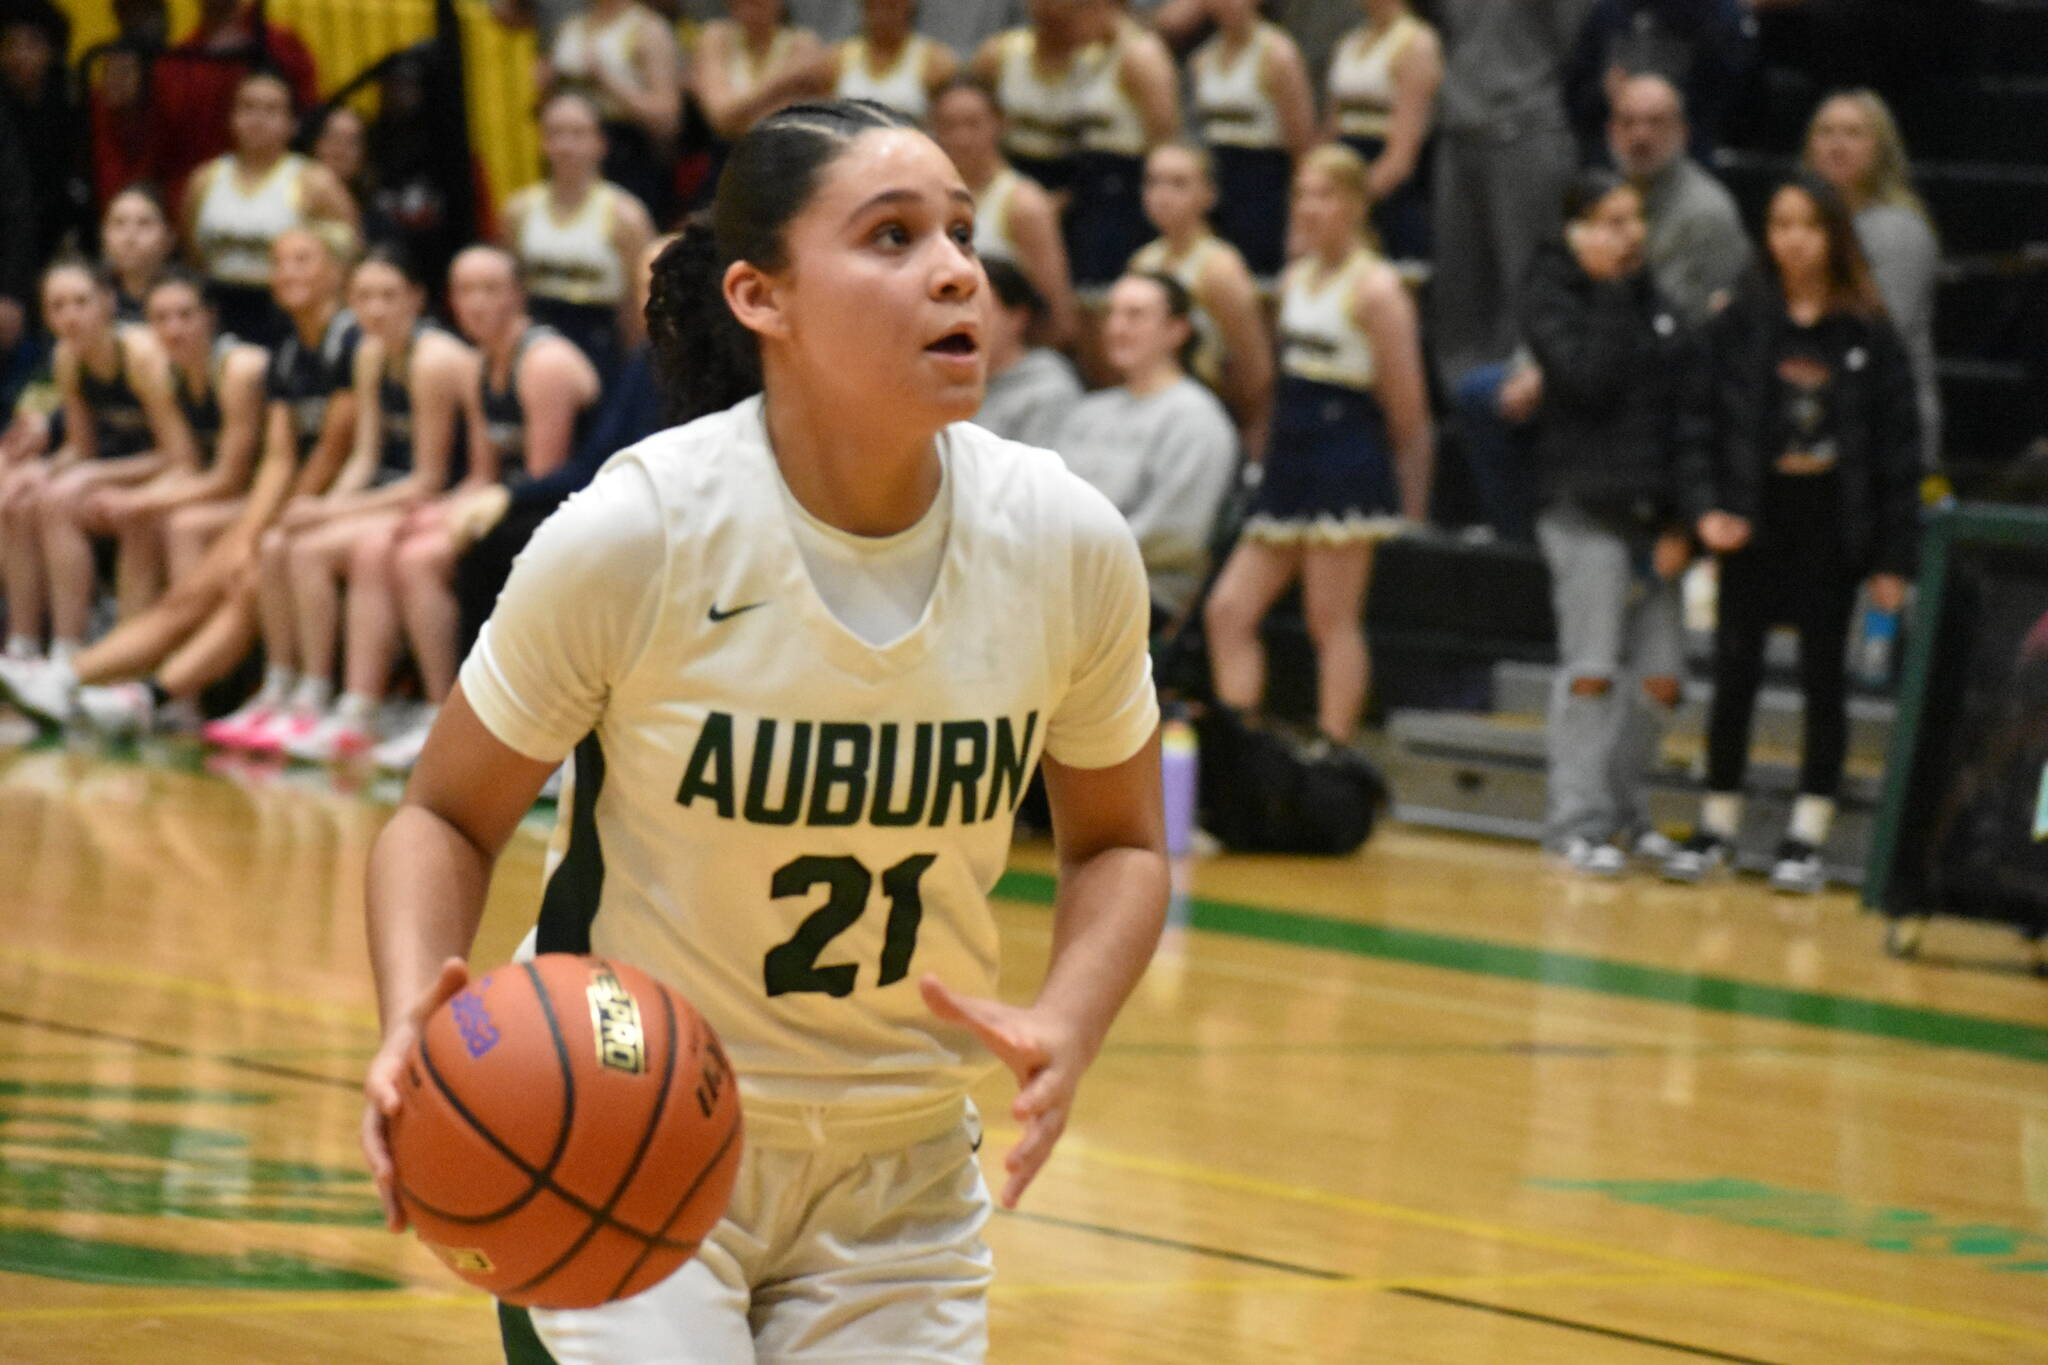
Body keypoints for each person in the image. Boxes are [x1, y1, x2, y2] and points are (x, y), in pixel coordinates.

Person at [358, 98, 1168, 1364]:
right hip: (629, 1127)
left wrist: (1070, 1015)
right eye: (891, 236)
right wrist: (414, 1012)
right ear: (760, 297)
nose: (956, 267)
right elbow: (443, 813)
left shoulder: (1063, 540)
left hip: (902, 1172)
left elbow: (1119, 843)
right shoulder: (639, 534)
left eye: (958, 230)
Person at [0, 226, 365, 739]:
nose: (287, 273)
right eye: (280, 262)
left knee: (221, 567)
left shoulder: (341, 345)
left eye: (304, 260)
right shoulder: (287, 350)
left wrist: (258, 530)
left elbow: (332, 452)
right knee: (194, 567)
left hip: (333, 504)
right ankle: (88, 680)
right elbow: (282, 459)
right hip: (289, 502)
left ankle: (122, 685)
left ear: (338, 270)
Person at [1664, 174, 1920, 894]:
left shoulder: (1869, 330)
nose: (1792, 240)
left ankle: (1806, 833)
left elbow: (1900, 452)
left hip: (1830, 524)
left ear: (1833, 236)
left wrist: (1893, 557)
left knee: (1822, 682)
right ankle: (1716, 821)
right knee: (1734, 674)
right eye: (1779, 225)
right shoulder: (1740, 320)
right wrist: (1703, 509)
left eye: (1808, 225)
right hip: (1755, 517)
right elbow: (1698, 425)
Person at [333, 245, 601, 773]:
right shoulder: (482, 362)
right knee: (395, 545)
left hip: (564, 514)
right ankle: (404, 709)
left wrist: (451, 525)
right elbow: (482, 476)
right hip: (512, 504)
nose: (476, 303)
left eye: (490, 289)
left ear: (519, 294)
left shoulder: (543, 361)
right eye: (465, 291)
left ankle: (450, 716)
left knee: (419, 560)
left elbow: (544, 481)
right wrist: (435, 515)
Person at [1204, 144, 1431, 747]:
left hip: (1345, 454)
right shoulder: (1297, 277)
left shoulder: (1378, 289)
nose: (1308, 207)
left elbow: (1407, 407)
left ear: (1356, 204)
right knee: (1228, 611)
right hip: (1291, 452)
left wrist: (1409, 495)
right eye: (1302, 193)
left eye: (1324, 194)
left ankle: (1333, 751)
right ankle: (1242, 749)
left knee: (1329, 620)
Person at [1524, 171, 1709, 875]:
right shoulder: (1552, 294)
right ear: (1577, 230)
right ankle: (1575, 821)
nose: (1626, 234)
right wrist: (1604, 288)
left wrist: (1681, 523)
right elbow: (1589, 380)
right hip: (1582, 507)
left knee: (1662, 677)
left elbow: (1679, 410)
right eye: (1609, 221)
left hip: (1653, 519)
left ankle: (1626, 814)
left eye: (1633, 219)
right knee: (1593, 667)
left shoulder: (1656, 301)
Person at [266, 250, 485, 762]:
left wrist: (326, 515)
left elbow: (427, 479)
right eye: (363, 297)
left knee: (320, 550)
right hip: (393, 492)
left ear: (416, 298)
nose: (376, 309)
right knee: (280, 539)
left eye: (389, 296)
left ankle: (339, 703)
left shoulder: (433, 359)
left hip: (435, 497)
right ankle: (287, 689)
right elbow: (364, 458)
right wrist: (324, 504)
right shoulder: (368, 353)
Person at [0, 263, 197, 667]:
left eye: (80, 302)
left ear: (107, 302)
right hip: (119, 471)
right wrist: (42, 470)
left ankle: (77, 654)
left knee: (66, 502)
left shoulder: (141, 356)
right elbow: (81, 447)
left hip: (169, 475)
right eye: (57, 307)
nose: (69, 316)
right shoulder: (67, 356)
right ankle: (25, 645)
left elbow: (181, 457)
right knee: (19, 497)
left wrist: (87, 474)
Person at [1053, 271, 1236, 625]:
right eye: (1112, 314)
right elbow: (1044, 496)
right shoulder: (1088, 411)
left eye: (1135, 315)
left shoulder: (1196, 418)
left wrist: (1069, 556)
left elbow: (1176, 534)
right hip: (1060, 576)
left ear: (1177, 331)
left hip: (1140, 590)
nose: (1117, 328)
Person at [1429, 0, 1587, 387]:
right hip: (1458, 129)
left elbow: (1576, 39)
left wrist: (1521, 84)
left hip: (1527, 129)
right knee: (1457, 292)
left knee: (1528, 286)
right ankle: (1466, 412)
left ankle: (1521, 407)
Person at [1803, 89, 1940, 473]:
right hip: (1819, 418)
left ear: (1881, 148)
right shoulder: (1803, 221)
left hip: (1886, 426)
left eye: (1853, 133)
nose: (1837, 144)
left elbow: (1878, 333)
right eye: (1826, 132)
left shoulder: (1899, 229)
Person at [183, 72, 359, 348]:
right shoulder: (204, 180)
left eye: (271, 109)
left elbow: (349, 258)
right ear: (231, 118)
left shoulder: (316, 182)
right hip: (219, 310)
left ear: (292, 123)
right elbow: (193, 254)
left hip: (288, 316)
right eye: (248, 107)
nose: (258, 119)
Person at [502, 92, 657, 383]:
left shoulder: (626, 216)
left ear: (600, 143)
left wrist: (633, 373)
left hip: (602, 341)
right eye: (555, 133)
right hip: (538, 337)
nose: (566, 145)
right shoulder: (519, 210)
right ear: (543, 142)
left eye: (578, 133)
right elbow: (512, 293)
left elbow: (639, 304)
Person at [1128, 141, 1272, 451]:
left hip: (1208, 417)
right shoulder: (1143, 261)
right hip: (1152, 414)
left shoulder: (1220, 269)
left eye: (1179, 183)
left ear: (1209, 195)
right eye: (1153, 182)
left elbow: (1256, 373)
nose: (1162, 195)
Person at [930, 76, 1077, 347]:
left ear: (1000, 124)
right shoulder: (926, 198)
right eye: (949, 125)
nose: (961, 138)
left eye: (973, 124)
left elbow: (1059, 316)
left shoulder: (1024, 204)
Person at [1606, 73, 1749, 325]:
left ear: (1682, 131)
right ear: (1611, 132)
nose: (1640, 136)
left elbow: (1705, 313)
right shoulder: (1598, 198)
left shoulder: (1708, 210)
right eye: (1628, 122)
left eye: (1655, 122)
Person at [1186, 0, 1314, 282]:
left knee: (1262, 285)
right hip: (1220, 188)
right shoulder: (1202, 59)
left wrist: (1301, 224)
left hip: (1266, 189)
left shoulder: (1278, 55)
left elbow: (1303, 149)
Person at [1060, 0, 1180, 292]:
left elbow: (1164, 136)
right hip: (1093, 185)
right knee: (1086, 292)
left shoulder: (1141, 55)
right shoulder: (1095, 54)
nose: (1068, 29)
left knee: (1107, 289)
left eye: (1072, 16)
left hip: (1124, 188)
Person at [154, 0, 319, 195]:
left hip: (281, 185)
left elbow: (309, 117)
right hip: (199, 189)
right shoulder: (177, 65)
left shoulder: (282, 46)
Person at [1324, 0, 1442, 265]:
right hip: (1345, 198)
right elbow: (1330, 136)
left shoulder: (1416, 44)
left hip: (1394, 201)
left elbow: (1400, 159)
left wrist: (1350, 206)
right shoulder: (1349, 44)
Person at [1563, 0, 1752, 163]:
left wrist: (1666, 101)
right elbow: (1575, 95)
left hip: (1688, 158)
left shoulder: (1715, 13)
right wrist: (1604, 91)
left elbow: (1734, 95)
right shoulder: (1608, 12)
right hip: (1610, 163)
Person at [541, 0, 682, 218]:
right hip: (569, 149)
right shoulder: (570, 27)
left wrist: (608, 82)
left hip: (625, 153)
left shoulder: (647, 28)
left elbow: (667, 118)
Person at [969, 1, 1094, 196]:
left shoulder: (1096, 60)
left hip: (1076, 177)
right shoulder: (998, 54)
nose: (1054, 12)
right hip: (1007, 168)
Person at [973, 257, 1082, 450]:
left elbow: (1044, 475)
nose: (967, 322)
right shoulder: (945, 380)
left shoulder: (1049, 390)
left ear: (1018, 317)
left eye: (981, 310)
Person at [692, 0, 833, 143]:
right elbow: (720, 117)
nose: (748, 9)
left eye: (756, 3)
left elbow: (805, 119)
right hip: (728, 151)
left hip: (786, 147)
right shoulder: (716, 37)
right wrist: (786, 80)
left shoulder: (804, 43)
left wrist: (740, 113)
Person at [831, 0, 959, 120]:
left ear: (909, 5)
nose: (883, 15)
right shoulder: (835, 60)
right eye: (875, 6)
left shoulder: (937, 62)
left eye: (891, 5)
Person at [100, 187, 179, 324]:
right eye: (119, 223)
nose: (129, 236)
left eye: (144, 223)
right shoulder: (89, 297)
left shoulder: (191, 297)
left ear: (170, 236)